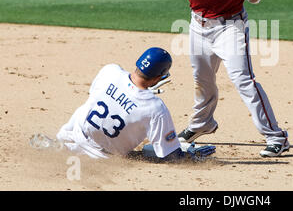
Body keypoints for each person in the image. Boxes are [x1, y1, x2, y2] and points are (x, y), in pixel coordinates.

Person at [155, 0, 289, 157]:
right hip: (198, 26)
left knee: (243, 79)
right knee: (202, 80)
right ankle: (201, 124)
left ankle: (276, 136)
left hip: (231, 27)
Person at [30, 47, 215, 162]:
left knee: (88, 106)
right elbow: (170, 155)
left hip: (71, 133)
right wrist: (192, 155)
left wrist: (133, 94)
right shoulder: (155, 108)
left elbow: (101, 94)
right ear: (158, 77)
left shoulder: (110, 71)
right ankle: (72, 152)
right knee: (145, 147)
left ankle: (62, 146)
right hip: (99, 157)